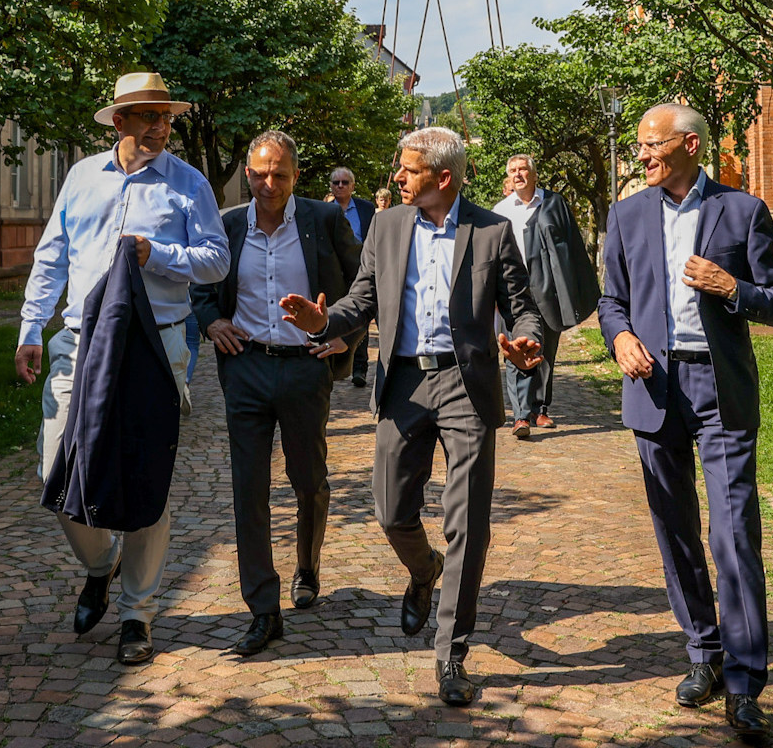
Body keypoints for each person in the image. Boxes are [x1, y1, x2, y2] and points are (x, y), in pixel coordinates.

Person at [280, 127, 546, 707]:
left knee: (467, 521)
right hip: (403, 382)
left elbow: (521, 310)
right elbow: (362, 299)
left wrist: (525, 343)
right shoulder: (388, 225)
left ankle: (452, 652)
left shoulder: (492, 231)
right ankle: (424, 571)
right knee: (391, 509)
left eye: (407, 169)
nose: (397, 177)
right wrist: (321, 322)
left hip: (466, 384)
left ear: (442, 178)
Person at [15, 72, 230, 666]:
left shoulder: (189, 185)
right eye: (147, 117)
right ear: (119, 122)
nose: (160, 127)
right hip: (79, 341)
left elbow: (216, 261)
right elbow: (52, 254)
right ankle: (100, 563)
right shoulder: (83, 176)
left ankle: (137, 613)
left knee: (145, 480)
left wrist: (156, 253)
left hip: (158, 344)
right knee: (55, 467)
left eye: (166, 117)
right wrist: (32, 328)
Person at [597, 104, 773, 744]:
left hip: (719, 389)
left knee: (734, 530)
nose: (641, 157)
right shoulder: (625, 215)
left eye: (650, 147)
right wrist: (620, 337)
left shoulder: (742, 211)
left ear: (688, 145)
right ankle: (703, 653)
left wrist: (731, 286)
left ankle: (743, 683)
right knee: (675, 527)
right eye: (639, 149)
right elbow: (610, 301)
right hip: (653, 386)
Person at [192, 132, 361, 656]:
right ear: (248, 172)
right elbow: (202, 285)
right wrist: (211, 321)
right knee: (249, 489)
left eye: (280, 174)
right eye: (261, 173)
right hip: (244, 369)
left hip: (304, 368)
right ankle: (263, 610)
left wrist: (340, 335)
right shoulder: (227, 226)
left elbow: (364, 285)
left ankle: (307, 565)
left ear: (295, 175)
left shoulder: (323, 220)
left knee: (308, 478)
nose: (270, 184)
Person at [493, 155, 601, 439]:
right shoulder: (500, 210)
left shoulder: (554, 204)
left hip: (547, 289)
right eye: (513, 171)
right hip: (511, 291)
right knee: (515, 349)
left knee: (545, 350)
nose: (518, 175)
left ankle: (540, 408)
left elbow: (572, 246)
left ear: (534, 174)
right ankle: (520, 415)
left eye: (523, 169)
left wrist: (575, 288)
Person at [328, 167, 377, 387]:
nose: (340, 186)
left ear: (353, 186)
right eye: (336, 183)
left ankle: (360, 368)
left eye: (344, 182)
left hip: (361, 270)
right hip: (335, 273)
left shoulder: (366, 209)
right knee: (337, 317)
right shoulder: (324, 211)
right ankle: (334, 364)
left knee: (361, 318)